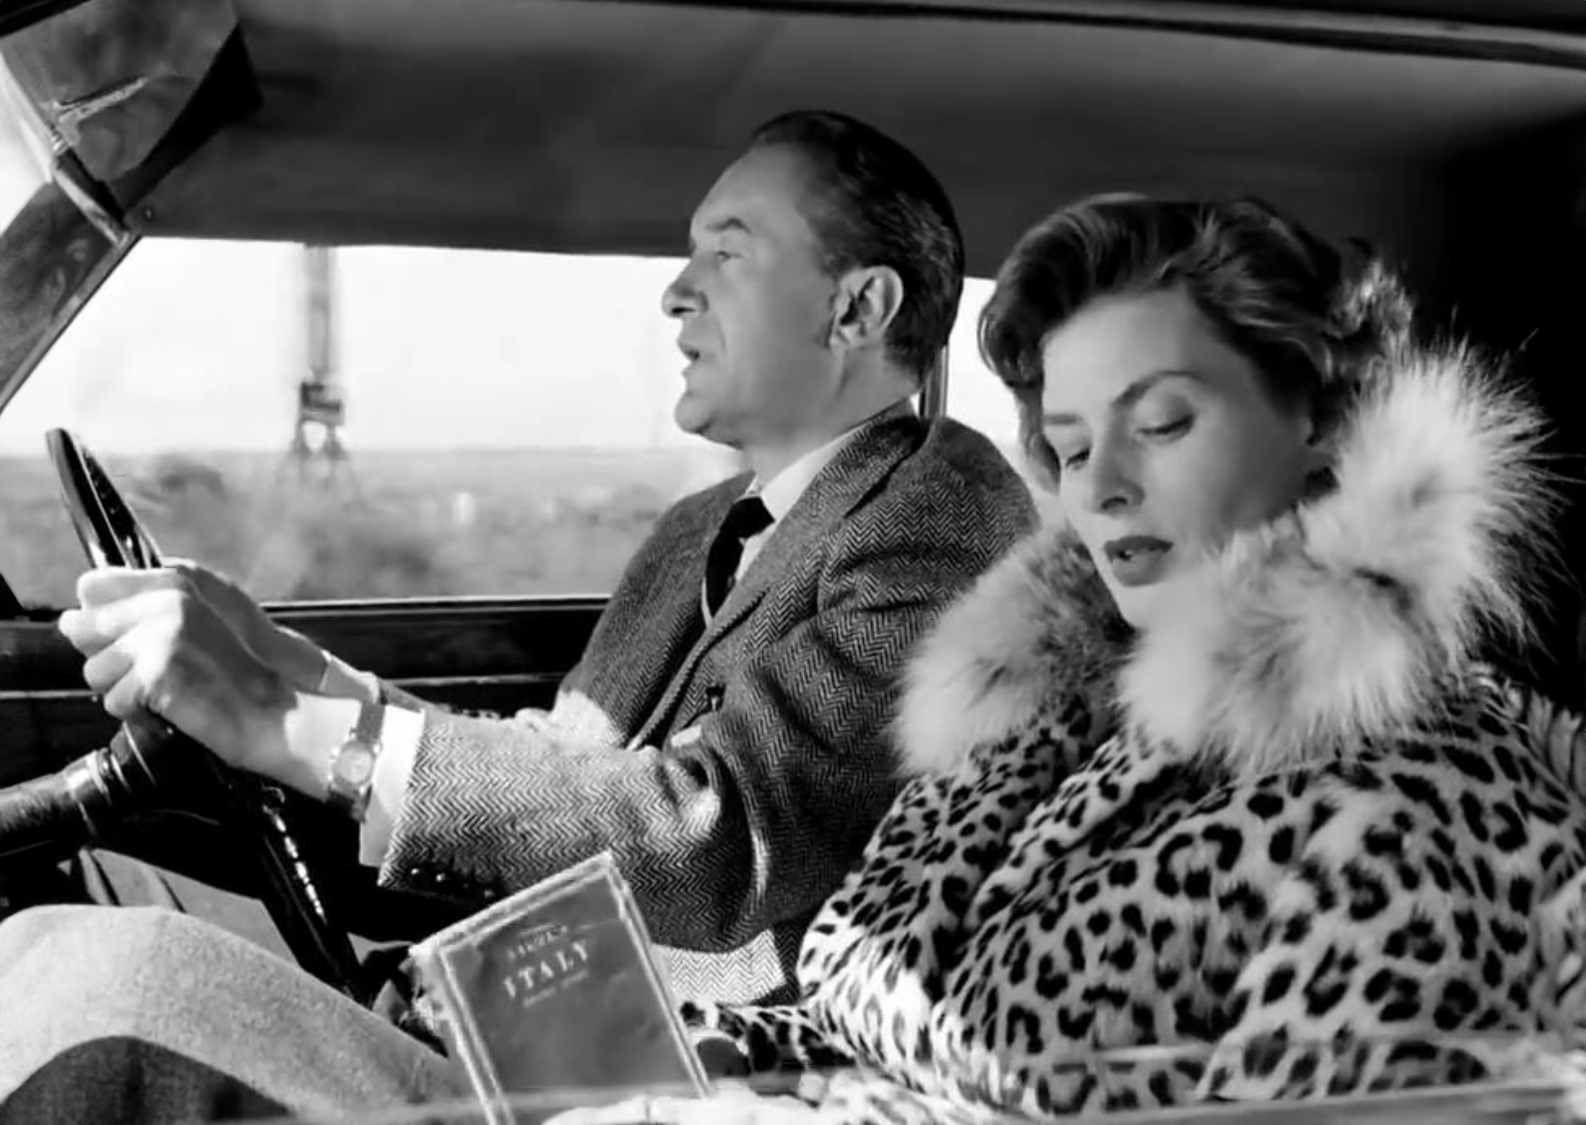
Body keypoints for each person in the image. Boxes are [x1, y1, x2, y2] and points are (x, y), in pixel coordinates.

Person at [40, 108, 1037, 1009]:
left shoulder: (939, 516)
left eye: (726, 256)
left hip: (660, 1057)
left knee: (118, 986)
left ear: (857, 310)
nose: (675, 293)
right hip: (514, 988)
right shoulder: (697, 528)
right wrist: (307, 677)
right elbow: (563, 762)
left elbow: (725, 840)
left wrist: (300, 733)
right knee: (84, 903)